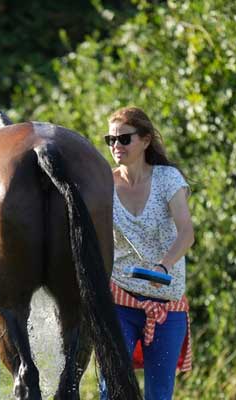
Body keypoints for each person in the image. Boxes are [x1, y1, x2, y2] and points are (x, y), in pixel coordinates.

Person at [99, 106, 194, 400]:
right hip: (120, 301)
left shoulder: (168, 179)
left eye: (124, 139)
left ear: (145, 140)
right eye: (110, 140)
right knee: (111, 391)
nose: (116, 146)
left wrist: (163, 269)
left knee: (158, 395)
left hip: (168, 306)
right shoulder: (104, 183)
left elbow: (186, 233)